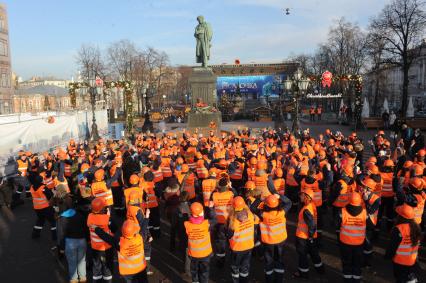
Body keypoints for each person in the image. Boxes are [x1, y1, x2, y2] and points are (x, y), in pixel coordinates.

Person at [259, 194, 292, 283]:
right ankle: (279, 280)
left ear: (266, 205)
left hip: (269, 242)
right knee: (279, 260)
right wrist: (279, 196)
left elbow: (253, 208)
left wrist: (260, 199)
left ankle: (269, 280)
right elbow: (289, 203)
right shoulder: (282, 212)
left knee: (269, 261)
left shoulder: (263, 215)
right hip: (281, 240)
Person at [385, 204, 421, 283]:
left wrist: (387, 256)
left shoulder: (398, 229)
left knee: (400, 279)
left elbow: (392, 246)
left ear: (401, 217)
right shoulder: (416, 227)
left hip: (400, 262)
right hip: (412, 261)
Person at [294, 189, 324, 279]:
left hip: (303, 237)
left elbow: (311, 224)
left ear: (307, 197)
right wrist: (311, 236)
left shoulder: (306, 209)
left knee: (302, 255)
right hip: (311, 236)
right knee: (314, 253)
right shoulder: (312, 205)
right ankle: (320, 269)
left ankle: (303, 273)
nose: (300, 196)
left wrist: (310, 236)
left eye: (302, 195)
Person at [227, 196, 258, 283]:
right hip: (248, 246)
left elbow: (229, 235)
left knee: (235, 266)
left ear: (233, 206)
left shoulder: (232, 220)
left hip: (237, 248)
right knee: (245, 266)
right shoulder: (250, 215)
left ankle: (236, 281)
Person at [58, 196, 88, 283]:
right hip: (82, 240)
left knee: (72, 263)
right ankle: (83, 278)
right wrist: (88, 240)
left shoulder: (63, 217)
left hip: (70, 242)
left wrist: (62, 247)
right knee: (82, 261)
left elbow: (62, 234)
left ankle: (74, 279)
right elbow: (86, 229)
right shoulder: (81, 215)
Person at [338, 192, 366, 282]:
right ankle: (356, 279)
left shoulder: (342, 211)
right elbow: (370, 226)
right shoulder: (364, 212)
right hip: (359, 243)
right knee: (357, 263)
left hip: (345, 242)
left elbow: (336, 223)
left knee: (346, 262)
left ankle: (347, 279)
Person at [185, 202, 214, 283]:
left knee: (194, 272)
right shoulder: (207, 224)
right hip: (205, 254)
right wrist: (210, 208)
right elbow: (215, 219)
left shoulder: (187, 224)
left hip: (193, 254)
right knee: (204, 272)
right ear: (202, 212)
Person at [87, 197, 114, 283]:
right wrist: (108, 216)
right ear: (102, 209)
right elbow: (114, 229)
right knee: (107, 267)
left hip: (95, 248)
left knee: (96, 267)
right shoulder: (107, 218)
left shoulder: (89, 217)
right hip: (106, 248)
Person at [30, 175, 57, 241]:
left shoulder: (32, 187)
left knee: (40, 220)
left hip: (37, 207)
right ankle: (55, 236)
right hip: (46, 207)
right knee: (53, 221)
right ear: (41, 180)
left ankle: (35, 234)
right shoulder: (43, 187)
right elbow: (50, 195)